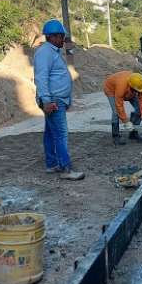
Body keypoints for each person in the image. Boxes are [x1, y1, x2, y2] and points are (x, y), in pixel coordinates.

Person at [34, 19, 85, 180]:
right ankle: (65, 169)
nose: (63, 39)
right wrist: (47, 101)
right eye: (61, 36)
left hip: (57, 99)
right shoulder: (45, 53)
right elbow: (41, 78)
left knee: (50, 133)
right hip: (53, 100)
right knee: (61, 134)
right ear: (52, 36)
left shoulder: (52, 52)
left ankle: (52, 164)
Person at [103, 71, 142, 146]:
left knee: (139, 109)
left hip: (128, 90)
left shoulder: (139, 83)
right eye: (137, 91)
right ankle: (116, 136)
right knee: (116, 112)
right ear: (131, 86)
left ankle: (133, 133)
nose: (138, 92)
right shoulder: (121, 86)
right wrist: (126, 121)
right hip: (111, 89)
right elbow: (119, 105)